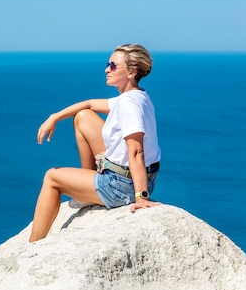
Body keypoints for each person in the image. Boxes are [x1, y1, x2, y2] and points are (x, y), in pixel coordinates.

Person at [29, 44, 162, 243]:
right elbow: (89, 104)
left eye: (113, 66)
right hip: (134, 176)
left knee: (51, 178)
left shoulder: (128, 104)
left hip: (121, 185)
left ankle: (33, 245)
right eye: (108, 65)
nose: (106, 69)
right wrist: (54, 117)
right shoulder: (136, 96)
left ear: (132, 72)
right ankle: (88, 185)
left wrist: (141, 196)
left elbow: (136, 151)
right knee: (83, 117)